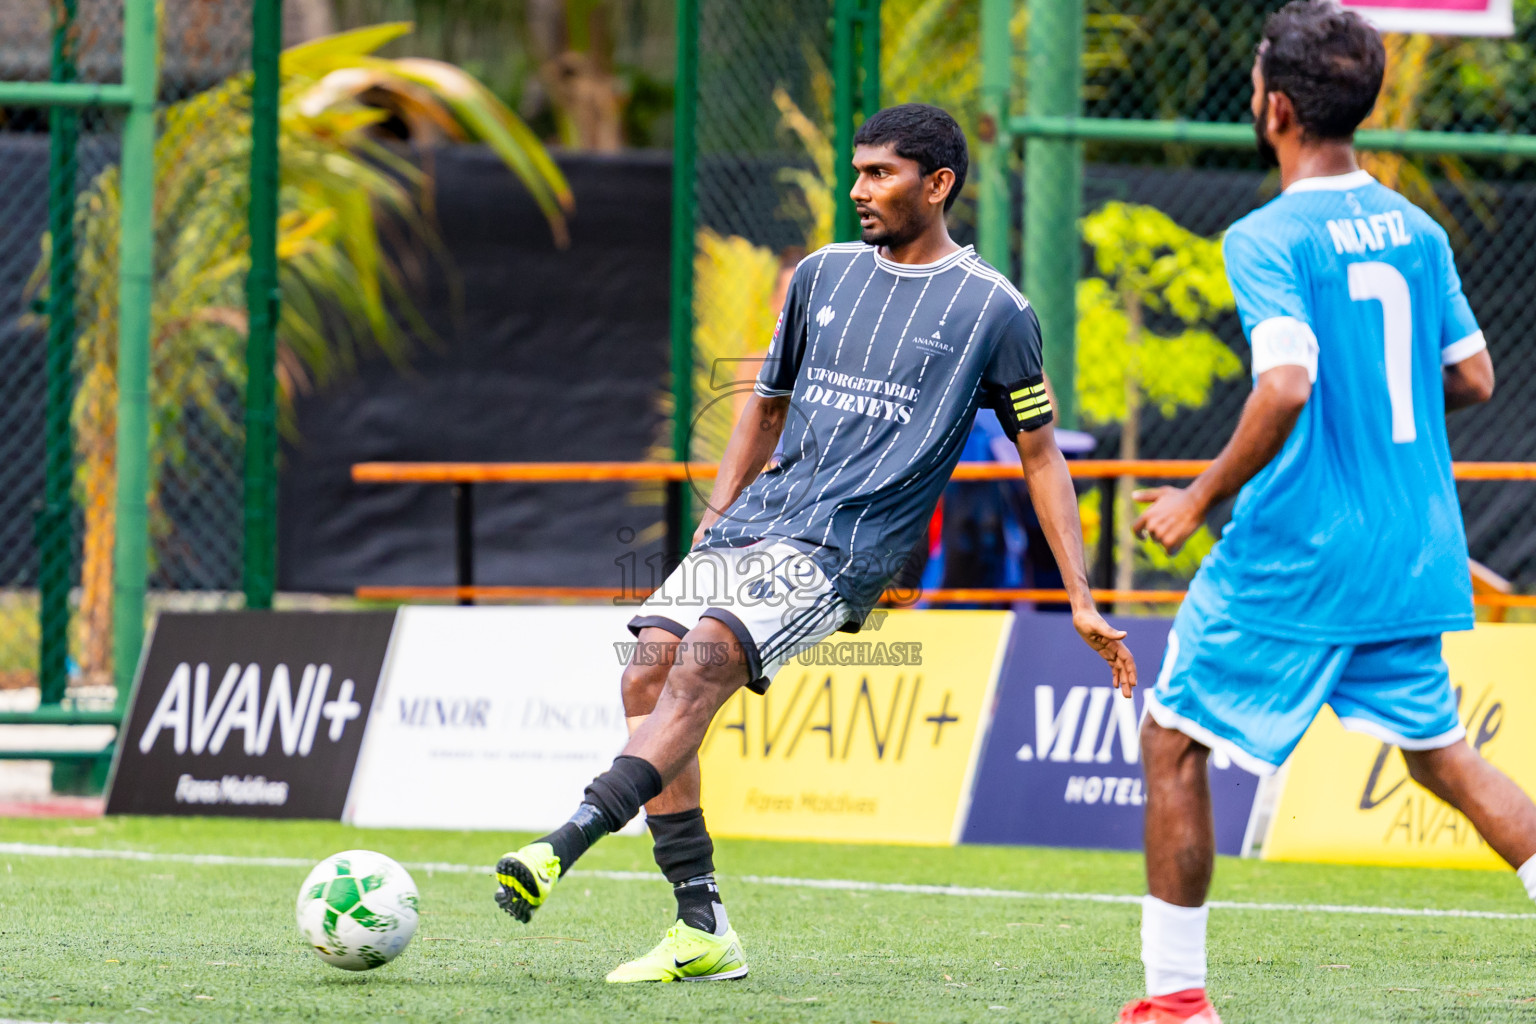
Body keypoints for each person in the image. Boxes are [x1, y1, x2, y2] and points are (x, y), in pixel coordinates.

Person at [491, 102, 1137, 983]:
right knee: (645, 668)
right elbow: (763, 406)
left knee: (702, 663)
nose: (858, 188)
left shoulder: (996, 310)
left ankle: (561, 843)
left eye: (881, 174)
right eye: (859, 170)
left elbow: (1041, 457)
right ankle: (702, 928)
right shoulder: (822, 275)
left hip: (846, 548)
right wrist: (717, 517)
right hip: (756, 522)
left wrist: (1082, 596)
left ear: (938, 184)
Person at [1122, 5, 1536, 1022]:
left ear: (1277, 107)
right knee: (1441, 754)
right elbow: (1473, 375)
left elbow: (1289, 383)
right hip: (1412, 544)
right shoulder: (1418, 226)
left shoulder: (1267, 234)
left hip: (1301, 547)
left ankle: (1176, 1003)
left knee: (1172, 738)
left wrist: (1199, 494)